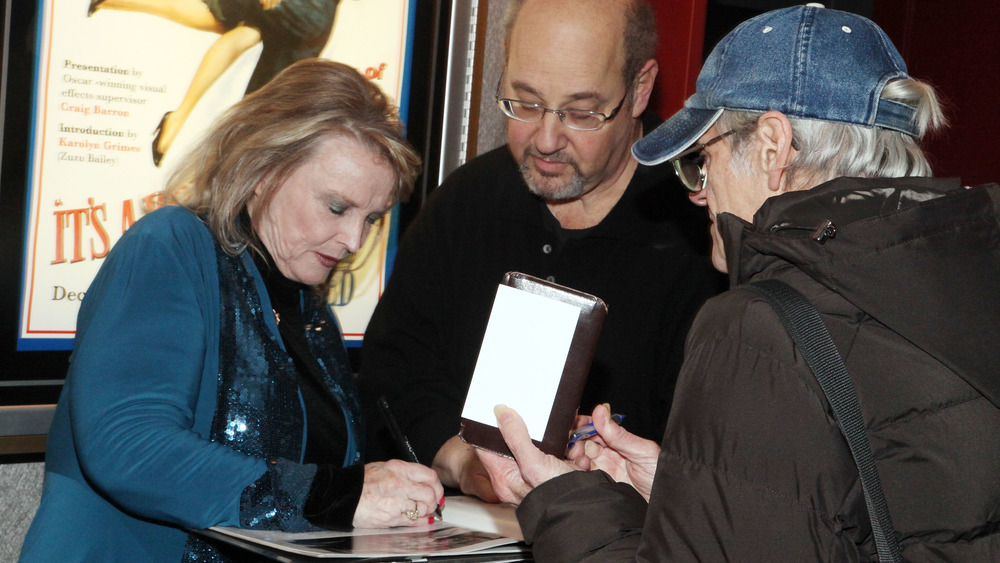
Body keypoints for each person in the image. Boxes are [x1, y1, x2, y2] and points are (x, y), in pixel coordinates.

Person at [475, 4, 1000, 561]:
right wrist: (689, 493)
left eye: (703, 160)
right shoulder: (972, 275)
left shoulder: (758, 326)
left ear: (773, 147)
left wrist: (560, 497)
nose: (698, 193)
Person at [19, 58, 443, 562]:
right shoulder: (170, 246)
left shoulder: (312, 314)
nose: (354, 239)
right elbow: (128, 446)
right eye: (336, 207)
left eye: (372, 218)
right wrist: (340, 494)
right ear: (263, 171)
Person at [360, 0, 722, 503]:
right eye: (525, 103)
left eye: (581, 112)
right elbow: (393, 377)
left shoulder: (701, 234)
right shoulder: (465, 207)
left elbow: (722, 452)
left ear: (639, 89)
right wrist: (466, 463)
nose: (546, 139)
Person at [88, 0, 341, 166]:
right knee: (243, 29)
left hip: (316, 14)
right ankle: (180, 122)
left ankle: (179, 121)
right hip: (312, 15)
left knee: (238, 26)